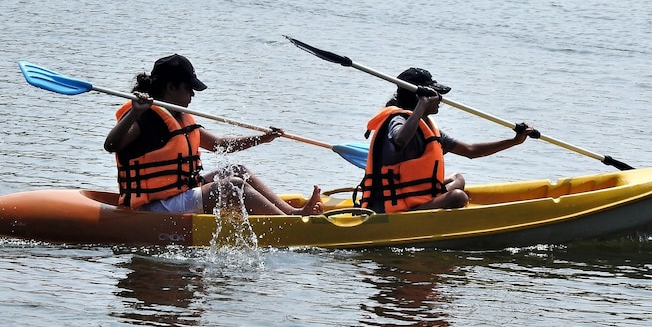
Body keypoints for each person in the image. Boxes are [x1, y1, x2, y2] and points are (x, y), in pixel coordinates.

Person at [104, 54, 323, 216]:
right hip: (154, 207)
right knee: (233, 186)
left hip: (179, 195)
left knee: (238, 171)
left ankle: (292, 213)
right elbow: (111, 144)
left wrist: (262, 138)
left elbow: (219, 144)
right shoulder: (144, 118)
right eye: (189, 89)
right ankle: (287, 223)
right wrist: (134, 112)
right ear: (171, 88)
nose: (192, 95)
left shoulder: (178, 118)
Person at [357, 67, 534, 213]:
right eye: (436, 95)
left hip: (416, 199)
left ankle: (428, 208)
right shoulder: (397, 120)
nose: (440, 100)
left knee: (458, 178)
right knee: (458, 196)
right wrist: (421, 106)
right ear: (420, 98)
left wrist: (514, 141)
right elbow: (399, 140)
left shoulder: (428, 128)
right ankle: (421, 214)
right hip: (392, 208)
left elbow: (470, 150)